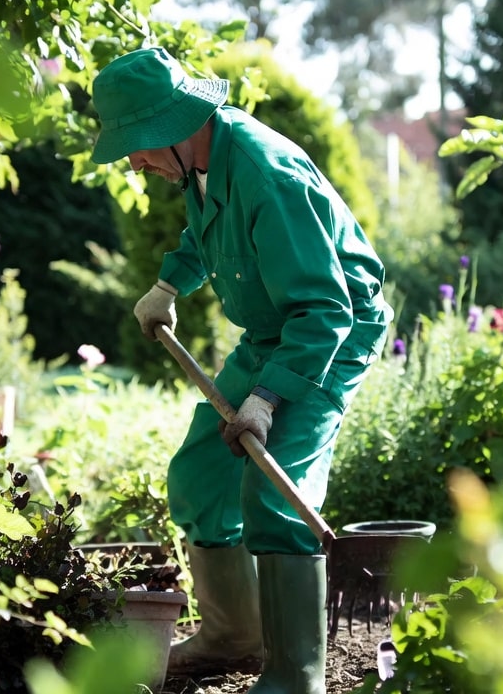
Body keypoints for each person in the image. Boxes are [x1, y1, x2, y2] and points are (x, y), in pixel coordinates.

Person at [90, 47, 391, 694]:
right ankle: (234, 635)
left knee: (275, 493)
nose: (136, 162)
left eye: (138, 147)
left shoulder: (265, 173)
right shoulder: (203, 160)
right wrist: (168, 287)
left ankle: (295, 673)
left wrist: (269, 399)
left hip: (326, 334)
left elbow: (325, 308)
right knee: (200, 473)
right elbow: (208, 238)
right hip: (273, 332)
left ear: (173, 124)